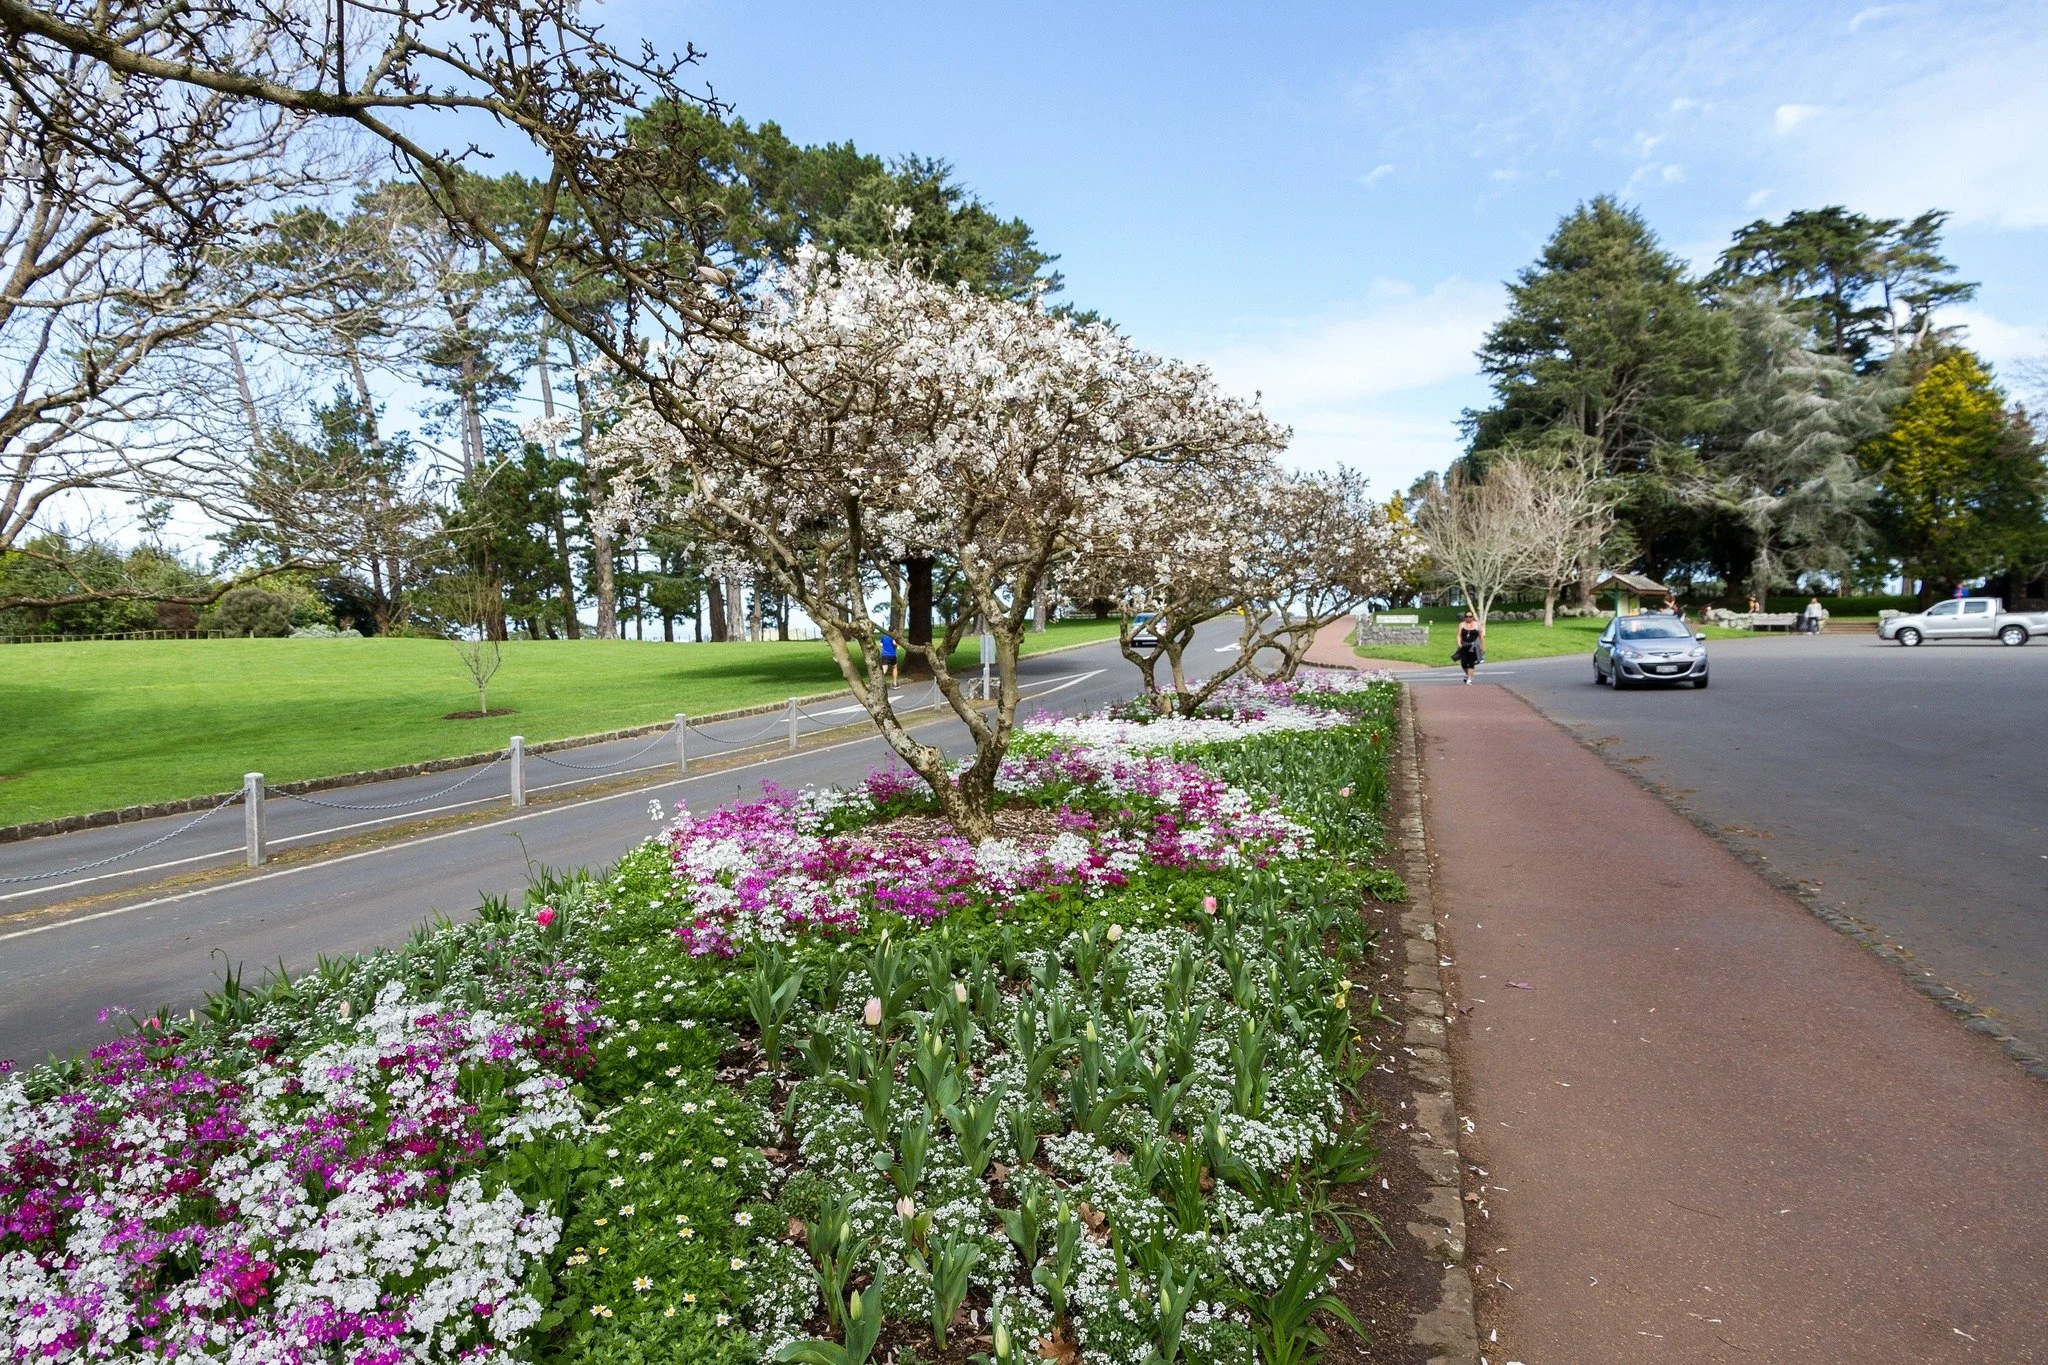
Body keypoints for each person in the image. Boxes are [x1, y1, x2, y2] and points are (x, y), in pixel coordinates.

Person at [1451, 609, 1485, 684]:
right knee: (1463, 662)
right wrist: (1459, 643)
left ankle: (1469, 679)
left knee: (1471, 662)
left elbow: (1481, 637)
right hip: (1464, 646)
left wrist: (1483, 647)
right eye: (1467, 616)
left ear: (1473, 617)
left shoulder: (1477, 625)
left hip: (1474, 646)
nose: (1468, 618)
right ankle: (1468, 674)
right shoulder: (1461, 625)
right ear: (1465, 617)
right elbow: (1459, 635)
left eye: (1470, 616)